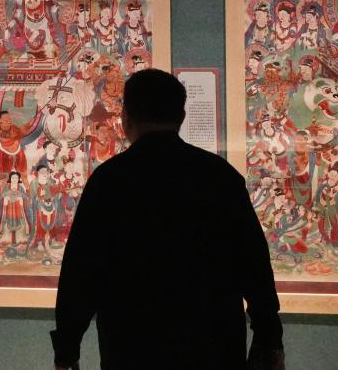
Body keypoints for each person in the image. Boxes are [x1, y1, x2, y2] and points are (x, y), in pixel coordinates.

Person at [51, 69, 284, 369]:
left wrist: (66, 350)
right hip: (214, 344)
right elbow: (254, 264)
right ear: (181, 116)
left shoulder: (109, 181)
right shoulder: (219, 177)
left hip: (132, 346)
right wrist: (269, 338)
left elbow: (81, 272)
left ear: (125, 118)